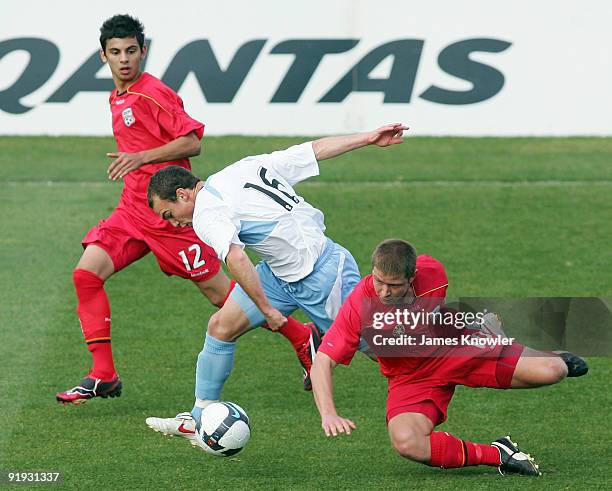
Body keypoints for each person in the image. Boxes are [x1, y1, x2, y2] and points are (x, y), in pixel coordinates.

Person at [56, 14, 318, 405]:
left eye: (131, 51)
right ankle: (103, 375)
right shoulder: (118, 95)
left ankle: (303, 338)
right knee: (86, 275)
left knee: (221, 298)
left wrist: (142, 156)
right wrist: (137, 164)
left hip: (170, 217)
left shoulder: (152, 93)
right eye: (115, 53)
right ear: (103, 56)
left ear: (142, 51)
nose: (124, 59)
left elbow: (192, 141)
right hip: (132, 211)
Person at [144, 123, 409, 441]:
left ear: (183, 194)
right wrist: (366, 139)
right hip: (280, 271)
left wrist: (267, 309)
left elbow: (237, 259)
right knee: (221, 327)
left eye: (169, 214)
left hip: (323, 275)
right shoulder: (244, 167)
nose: (174, 224)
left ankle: (445, 365)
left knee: (385, 349)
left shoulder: (205, 213)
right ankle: (199, 418)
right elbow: (313, 150)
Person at [311, 239, 589, 476]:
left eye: (393, 285)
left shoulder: (432, 274)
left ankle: (543, 352)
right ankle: (499, 454)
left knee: (554, 371)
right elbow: (323, 360)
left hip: (457, 348)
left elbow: (435, 312)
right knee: (407, 442)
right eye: (379, 281)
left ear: (411, 277)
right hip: (411, 378)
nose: (384, 292)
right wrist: (328, 413)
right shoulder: (359, 304)